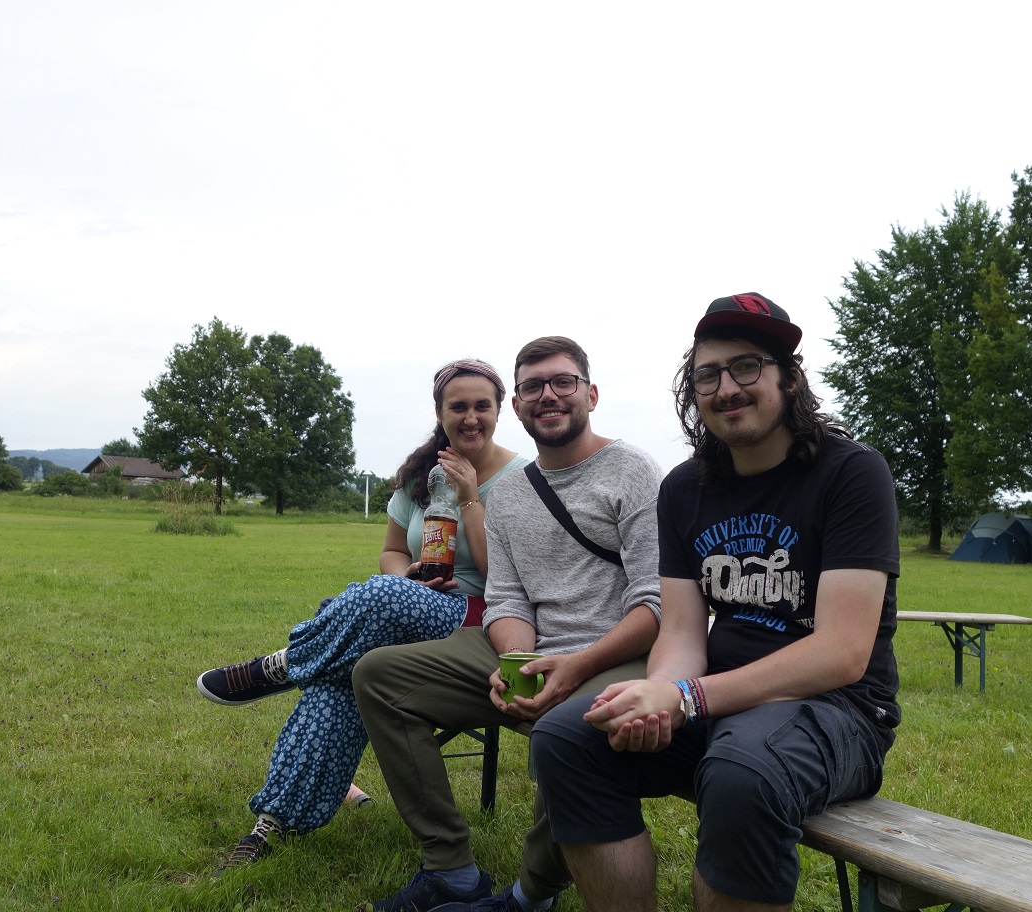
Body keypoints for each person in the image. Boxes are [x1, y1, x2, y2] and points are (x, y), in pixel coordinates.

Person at [529, 293, 901, 912]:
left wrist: (687, 698)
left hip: (839, 710)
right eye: (708, 374)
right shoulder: (684, 487)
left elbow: (842, 653)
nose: (727, 388)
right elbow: (680, 631)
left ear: (789, 377)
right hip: (720, 701)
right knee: (566, 738)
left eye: (747, 367)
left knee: (742, 773)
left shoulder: (851, 473)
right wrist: (657, 696)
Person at [351, 336, 664, 912]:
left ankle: (529, 895)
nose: (548, 395)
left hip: (618, 653)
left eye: (563, 382)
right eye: (532, 387)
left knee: (567, 730)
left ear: (591, 394)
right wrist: (518, 664)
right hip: (532, 649)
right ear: (517, 406)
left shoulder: (634, 471)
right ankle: (450, 868)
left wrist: (574, 669)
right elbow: (507, 597)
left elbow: (654, 603)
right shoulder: (514, 492)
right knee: (379, 676)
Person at [195, 358, 529, 870]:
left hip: (481, 618)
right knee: (344, 678)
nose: (470, 417)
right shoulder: (419, 476)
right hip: (415, 607)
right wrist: (406, 575)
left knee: (376, 602)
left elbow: (502, 574)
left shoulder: (519, 478)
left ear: (499, 410)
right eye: (457, 406)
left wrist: (468, 497)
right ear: (440, 412)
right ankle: (275, 822)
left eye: (481, 406)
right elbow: (391, 552)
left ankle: (282, 666)